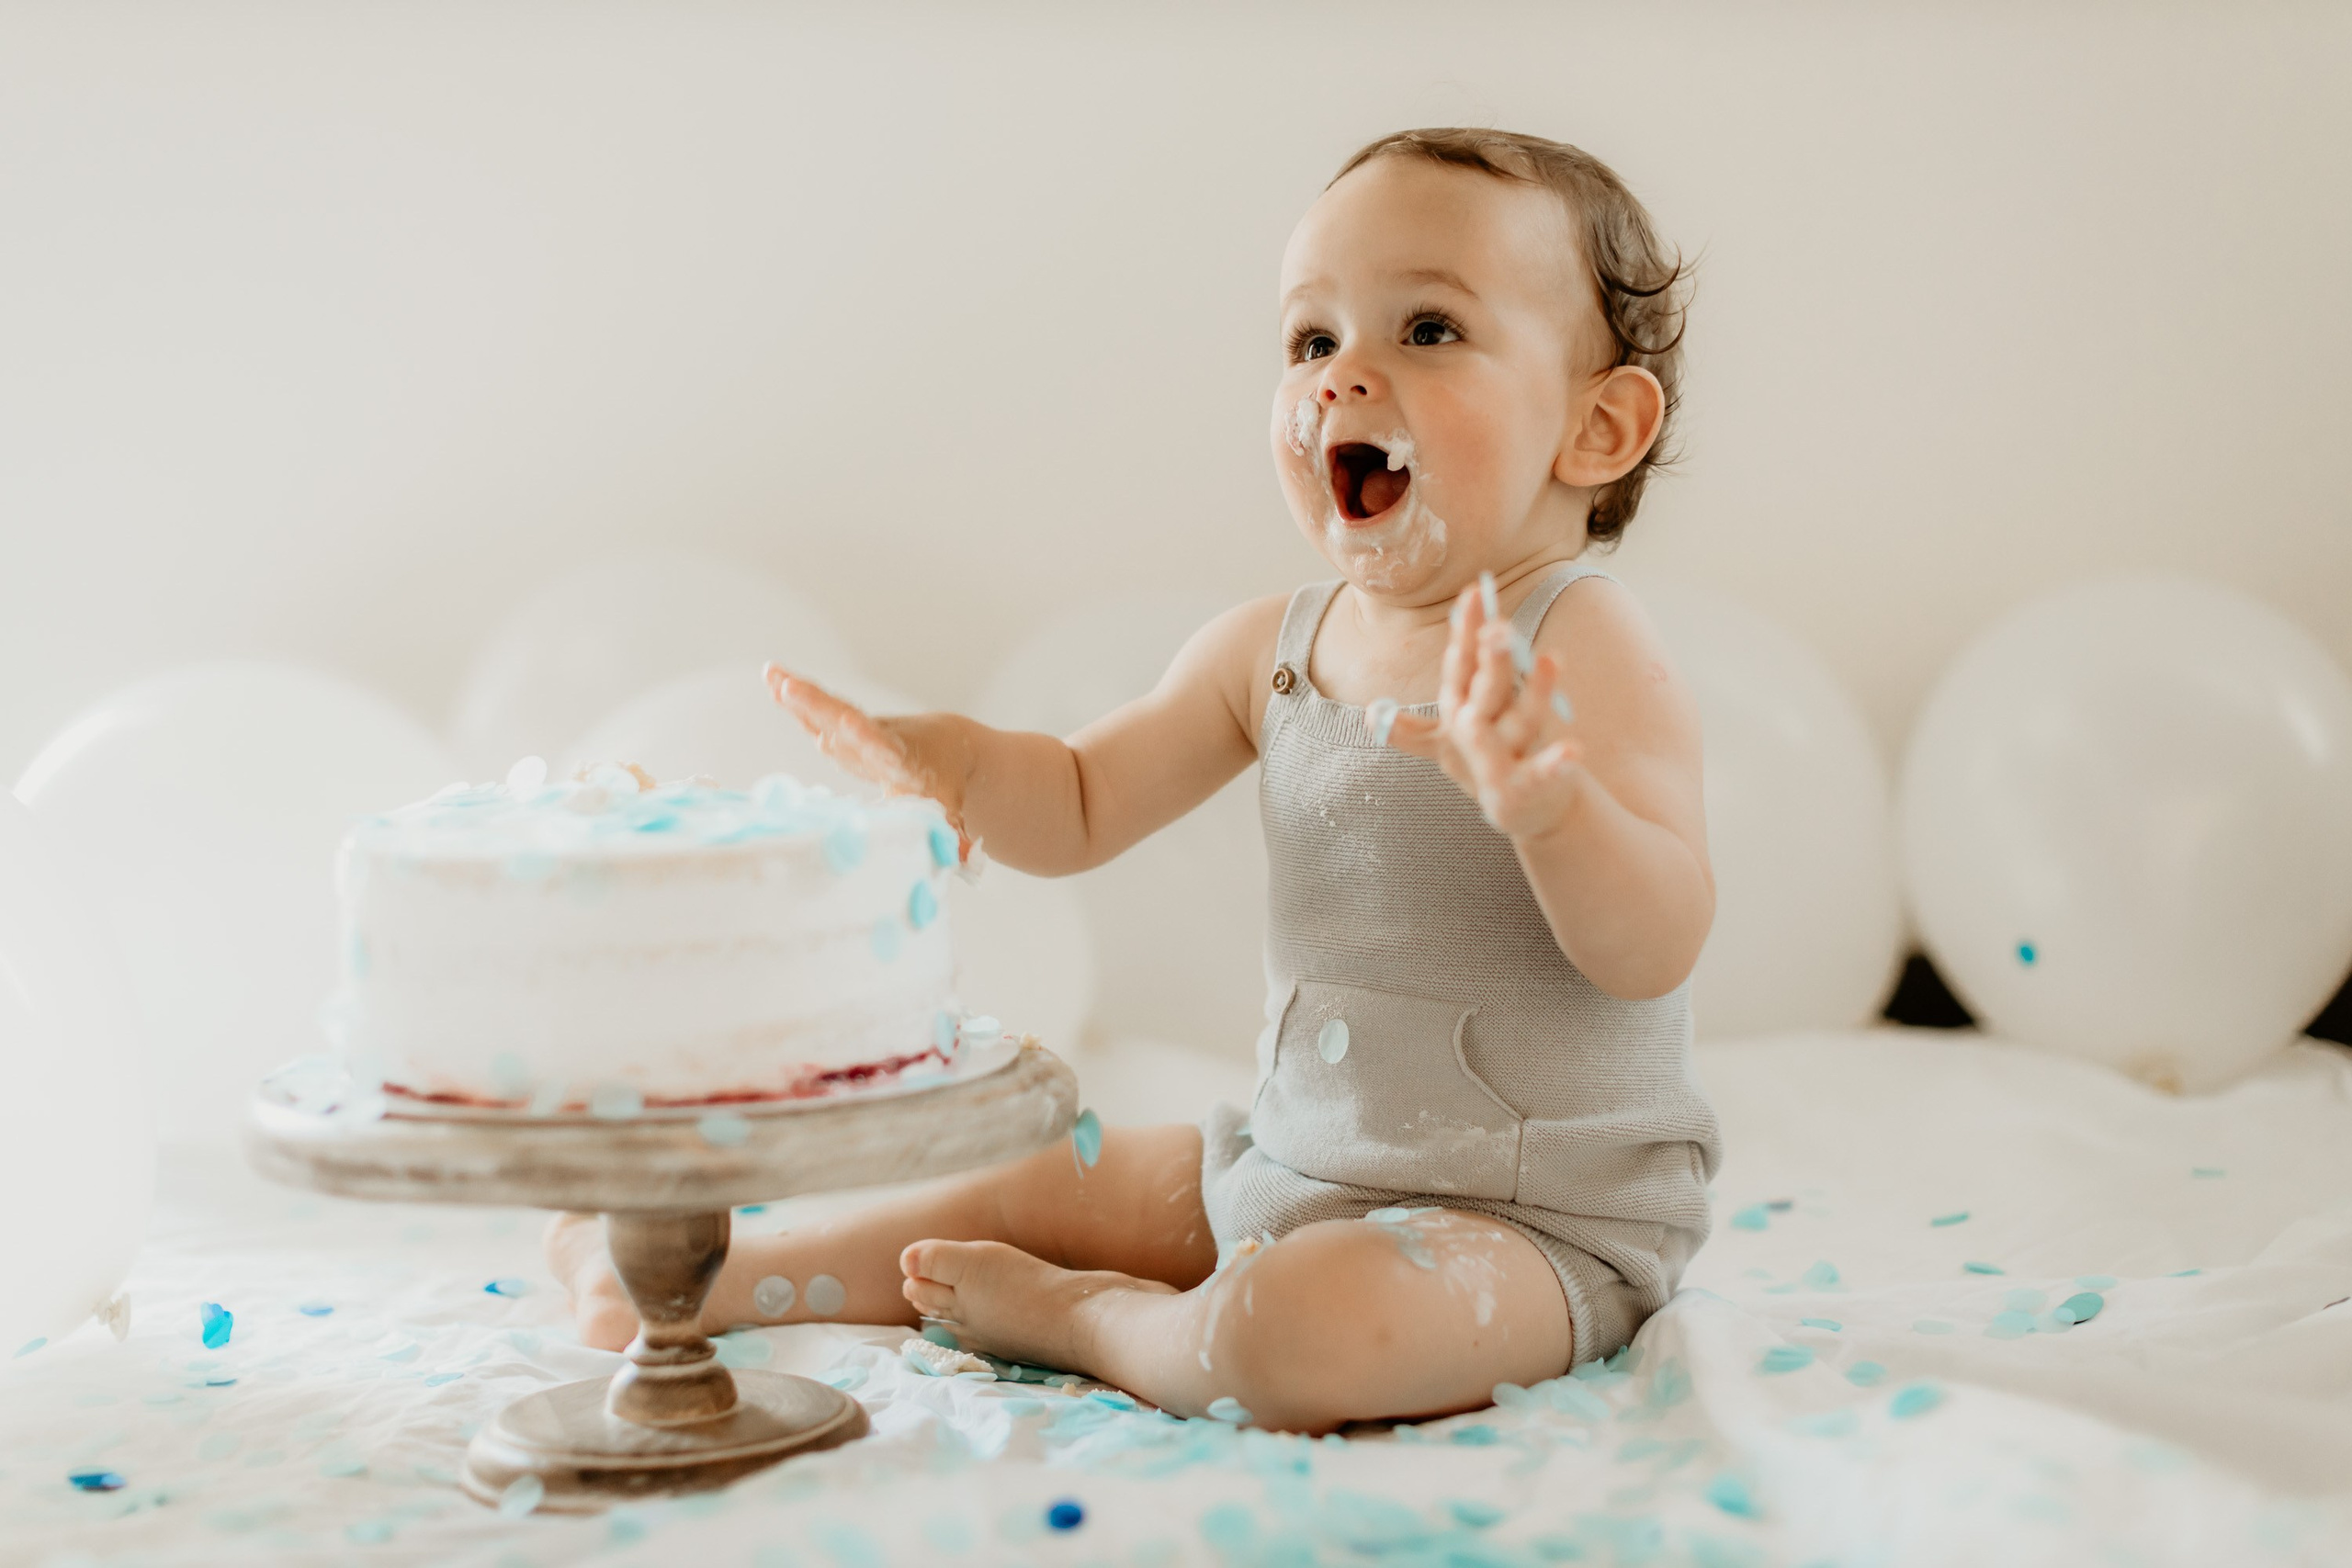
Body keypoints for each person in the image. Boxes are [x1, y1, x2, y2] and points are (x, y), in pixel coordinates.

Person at [553, 127, 1721, 1434]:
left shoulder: (1575, 643)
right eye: (1311, 340)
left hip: (1527, 1227)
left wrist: (1552, 809)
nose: (1342, 381)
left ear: (1598, 426)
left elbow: (1655, 944)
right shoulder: (1270, 650)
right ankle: (713, 1281)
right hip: (1292, 1167)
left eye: (1430, 330)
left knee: (1289, 1334)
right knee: (1039, 1174)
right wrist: (961, 763)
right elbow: (1080, 801)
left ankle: (1094, 1319)